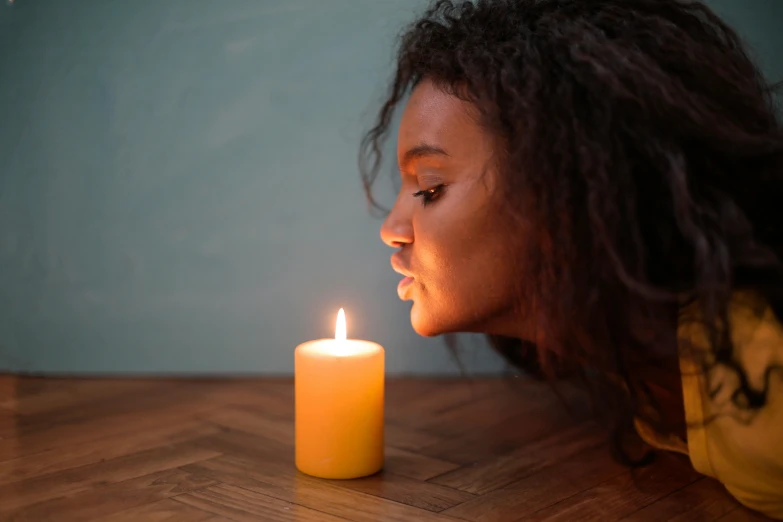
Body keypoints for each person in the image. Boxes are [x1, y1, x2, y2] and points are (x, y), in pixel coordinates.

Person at [358, 0, 783, 518]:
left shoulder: (764, 380)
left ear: (567, 187)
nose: (391, 230)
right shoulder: (650, 369)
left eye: (429, 187)